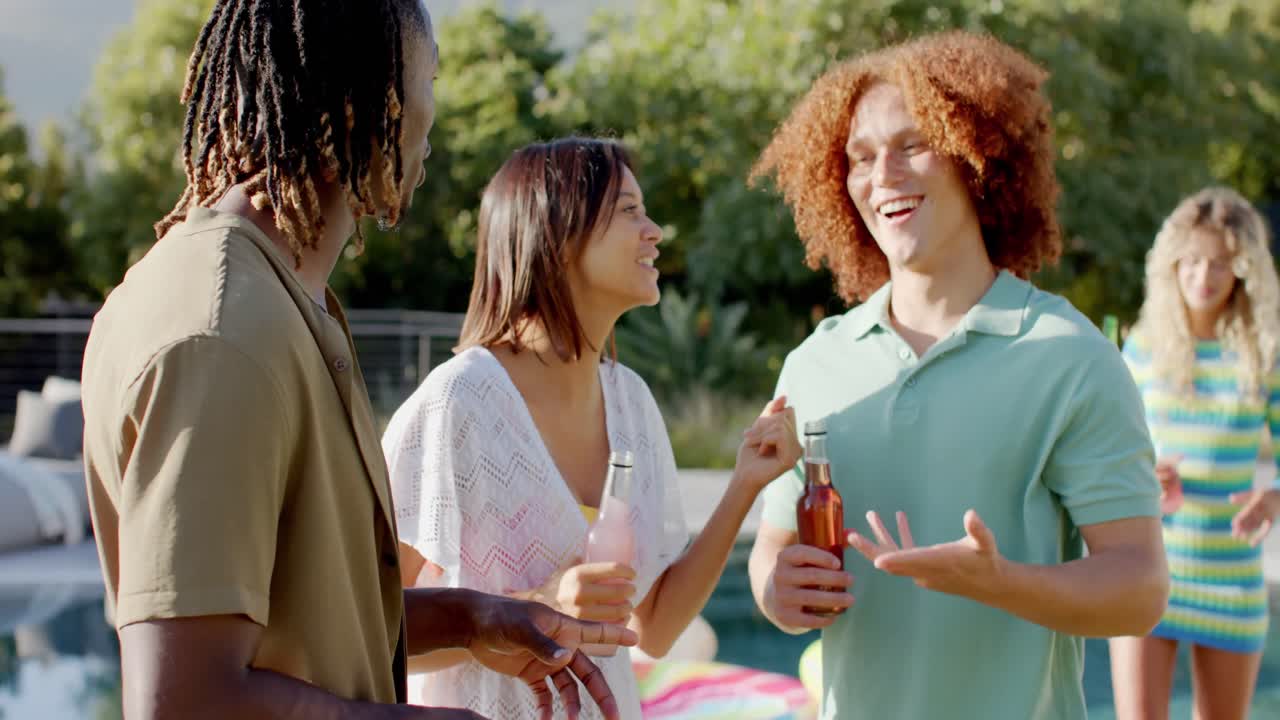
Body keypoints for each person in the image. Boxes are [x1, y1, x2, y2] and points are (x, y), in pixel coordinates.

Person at [80, 3, 634, 719]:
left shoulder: (281, 303)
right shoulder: (221, 336)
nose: (435, 114)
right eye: (427, 77)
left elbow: (306, 618)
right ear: (362, 99)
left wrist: (470, 620)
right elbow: (187, 698)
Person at [745, 30, 1170, 719]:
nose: (882, 176)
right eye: (859, 157)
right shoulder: (814, 364)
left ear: (978, 156)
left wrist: (1000, 581)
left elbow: (1141, 589)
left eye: (912, 145)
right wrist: (776, 589)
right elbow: (774, 552)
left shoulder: (1070, 356)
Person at [381, 137, 802, 719]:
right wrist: (536, 605)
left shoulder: (632, 403)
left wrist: (743, 486)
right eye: (630, 211)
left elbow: (653, 627)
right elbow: (367, 629)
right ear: (556, 233)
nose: (654, 231)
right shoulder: (457, 405)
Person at [1109, 187, 1280, 720]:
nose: (1203, 277)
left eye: (1221, 264)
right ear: (1171, 265)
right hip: (1146, 572)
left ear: (1244, 272)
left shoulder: (1264, 357)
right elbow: (1107, 456)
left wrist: (1273, 497)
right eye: (1192, 262)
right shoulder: (1140, 350)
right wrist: (1140, 477)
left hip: (1231, 580)